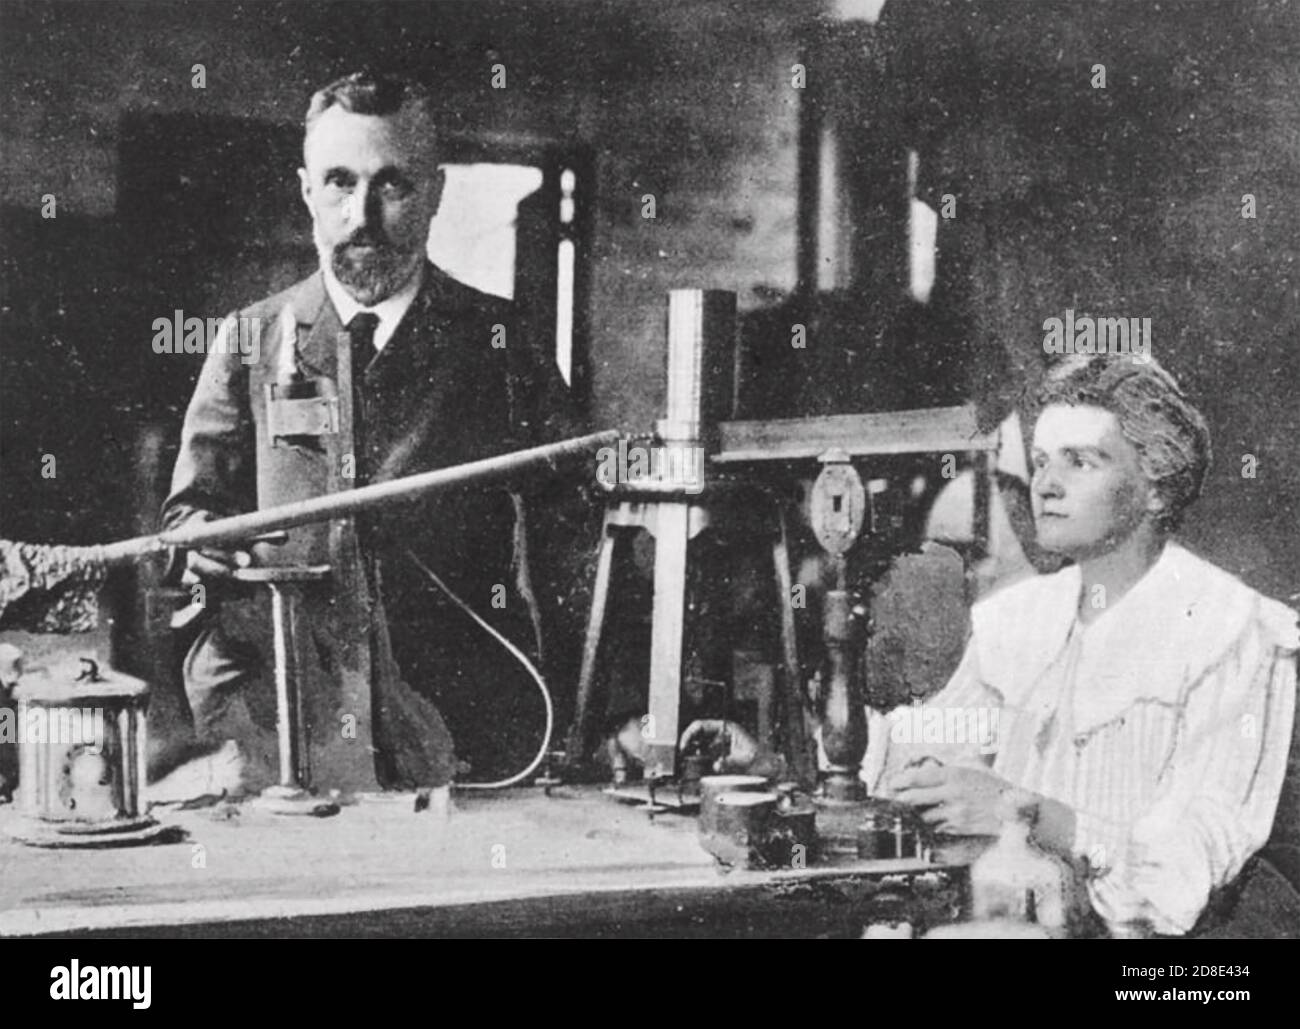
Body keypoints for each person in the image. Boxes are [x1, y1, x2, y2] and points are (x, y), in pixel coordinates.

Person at [155, 72, 584, 799]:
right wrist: (204, 545)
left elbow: (576, 537)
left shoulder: (503, 341)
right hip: (282, 724)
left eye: (393, 185)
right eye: (338, 183)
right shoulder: (248, 338)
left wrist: (606, 708)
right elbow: (185, 517)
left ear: (437, 190)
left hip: (463, 725)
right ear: (305, 190)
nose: (362, 214)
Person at [870, 353, 1298, 937]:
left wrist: (1026, 814)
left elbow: (1178, 876)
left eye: (1081, 461)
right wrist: (785, 761)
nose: (1045, 485)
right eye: (1043, 461)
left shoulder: (1232, 630)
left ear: (1156, 484)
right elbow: (928, 744)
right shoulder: (1020, 617)